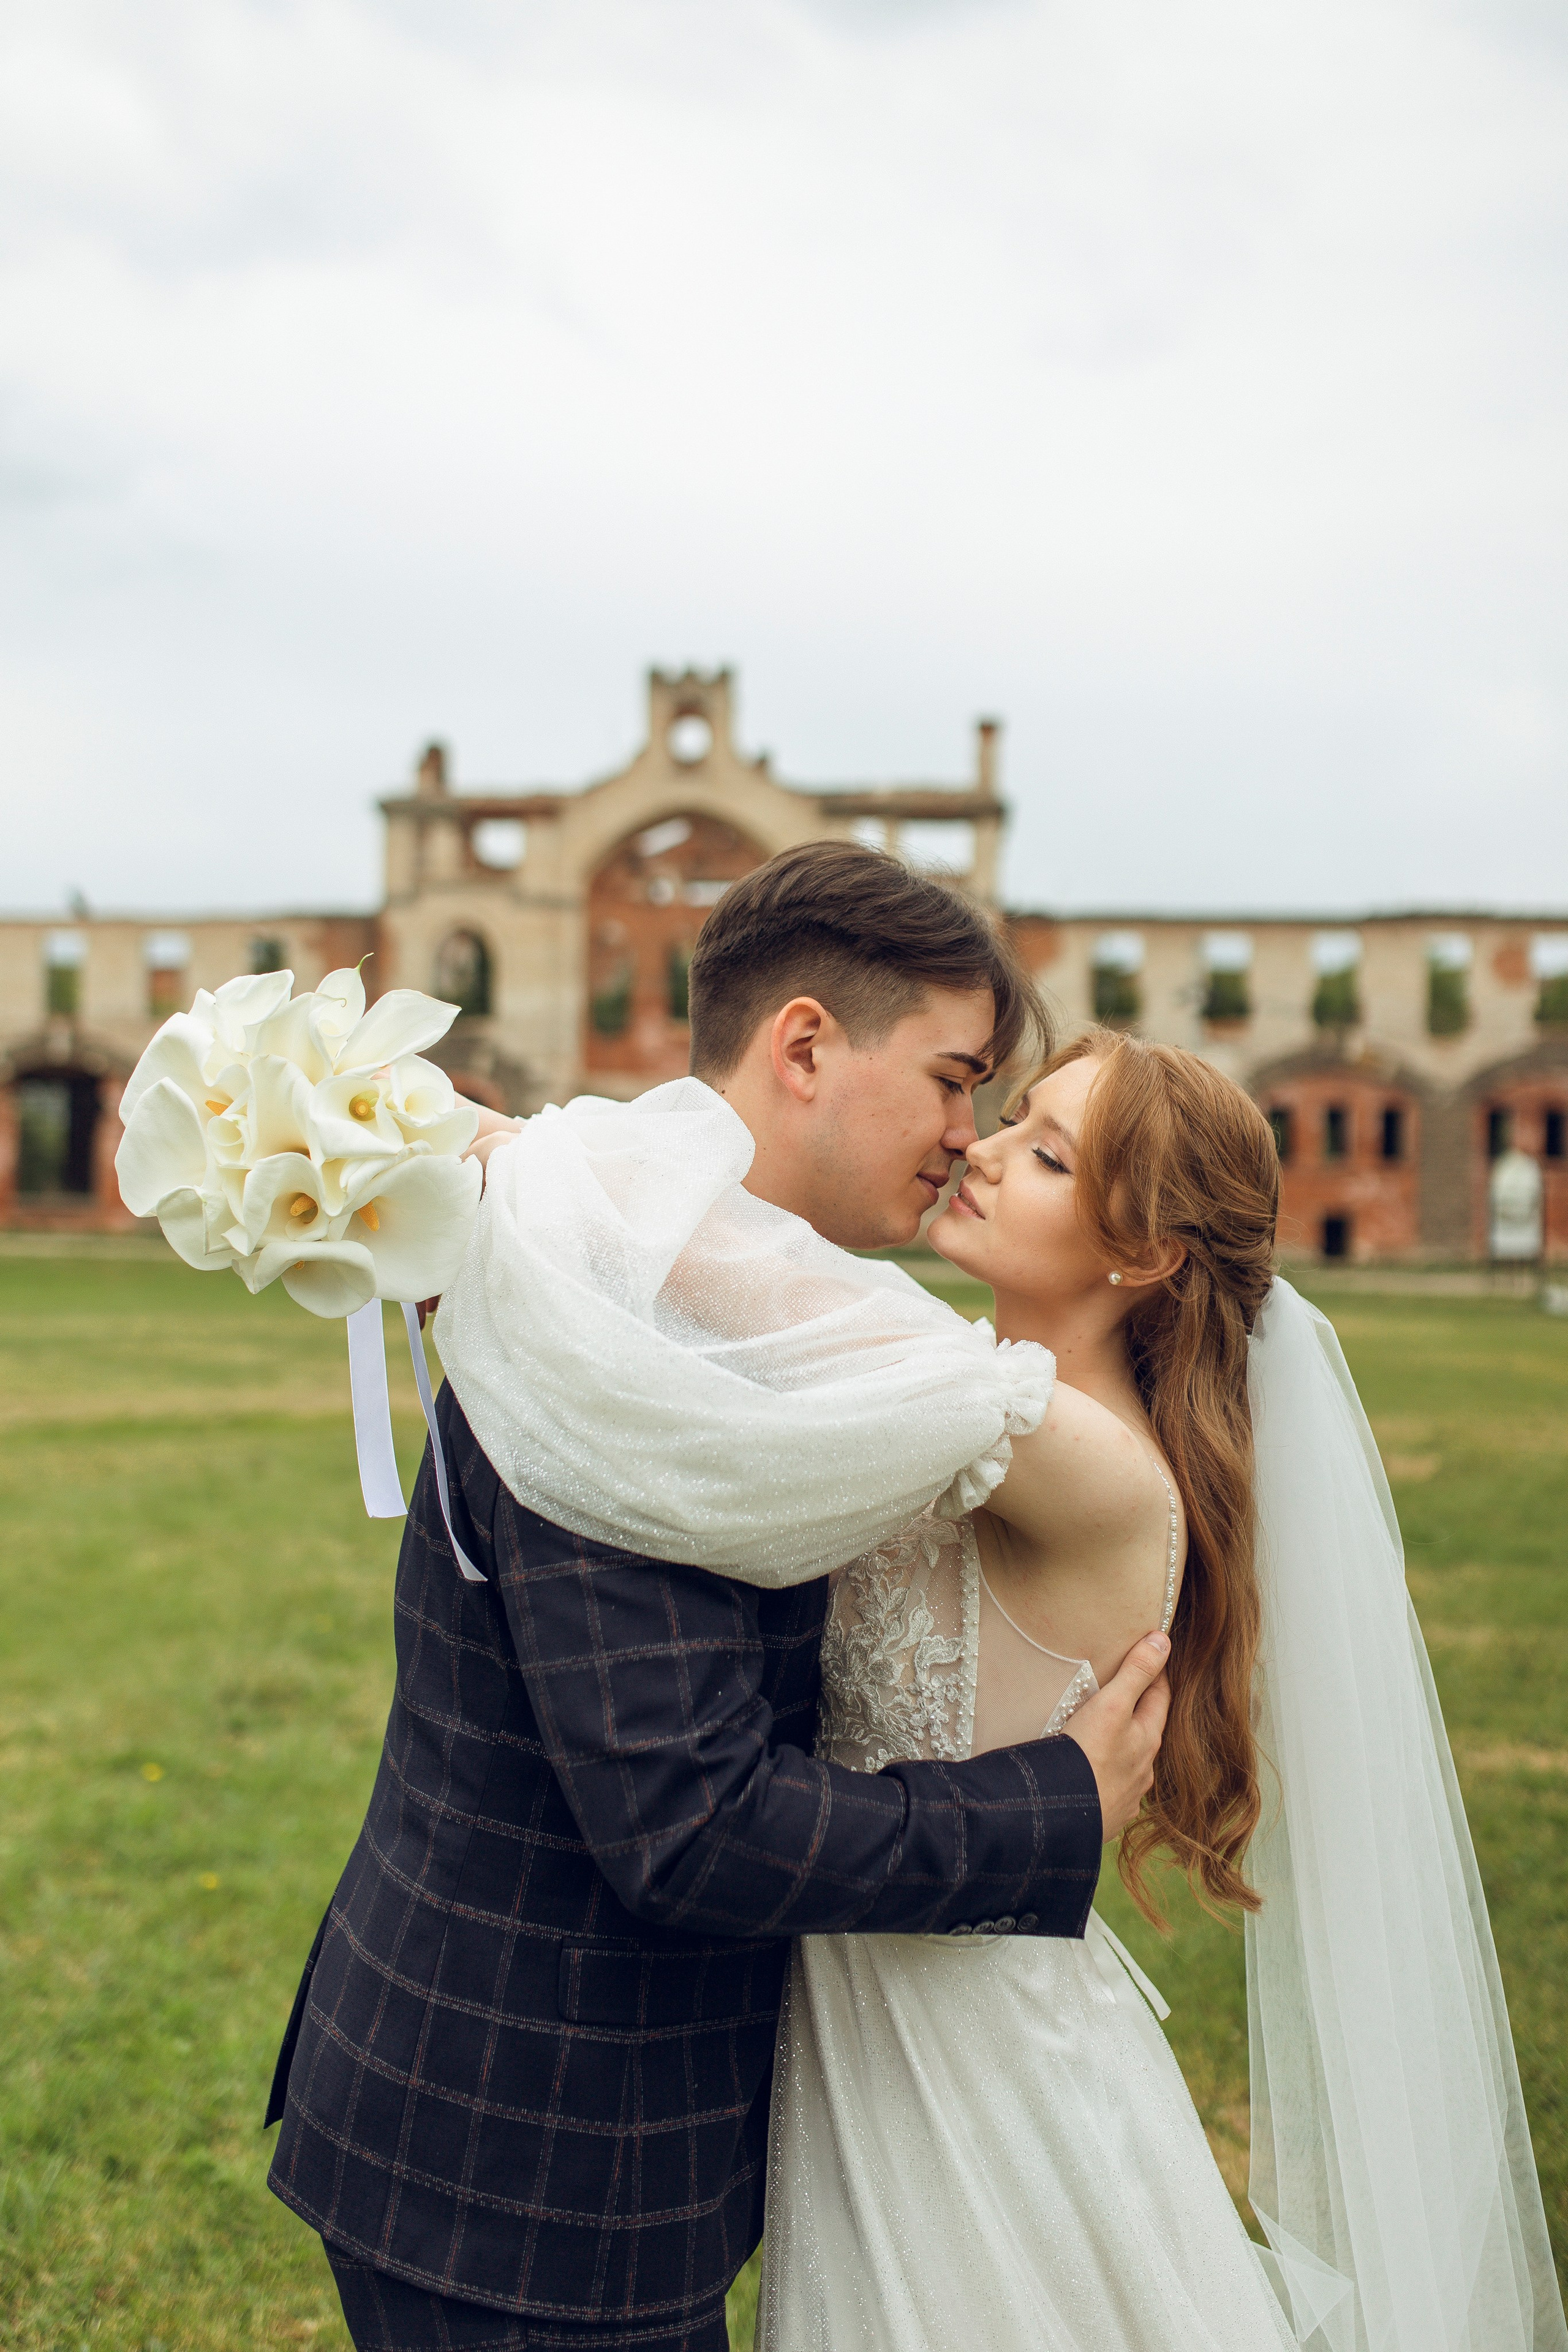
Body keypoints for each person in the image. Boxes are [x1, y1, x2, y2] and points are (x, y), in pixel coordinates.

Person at [265, 846, 1173, 2352]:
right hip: (529, 2163)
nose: (966, 1137)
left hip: (568, 2114)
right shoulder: (626, 1331)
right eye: (955, 1082)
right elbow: (688, 1829)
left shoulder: (627, 1251)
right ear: (804, 1045)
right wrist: (1048, 1809)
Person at [758, 1031, 1567, 2352]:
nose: (980, 1148)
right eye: (1008, 1121)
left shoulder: (1092, 1463)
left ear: (1141, 1254)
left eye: (1047, 1154)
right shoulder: (980, 1401)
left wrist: (558, 1172)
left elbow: (786, 1308)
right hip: (883, 2026)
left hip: (981, 2074)